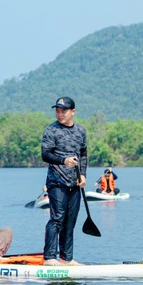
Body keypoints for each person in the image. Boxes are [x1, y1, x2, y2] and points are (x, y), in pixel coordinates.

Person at [41, 96, 87, 266]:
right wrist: (63, 161)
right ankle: (50, 257)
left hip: (74, 183)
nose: (59, 114)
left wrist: (82, 174)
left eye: (63, 111)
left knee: (71, 220)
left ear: (72, 112)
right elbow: (45, 154)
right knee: (57, 218)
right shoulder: (51, 130)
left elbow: (83, 154)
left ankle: (66, 258)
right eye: (57, 111)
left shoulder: (81, 131)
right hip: (56, 181)